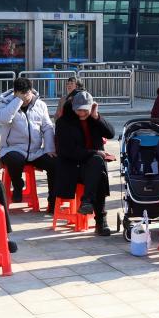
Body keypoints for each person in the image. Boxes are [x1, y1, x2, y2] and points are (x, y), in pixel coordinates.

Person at [54, 91, 114, 235]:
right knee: (98, 170)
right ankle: (100, 219)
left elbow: (110, 133)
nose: (81, 113)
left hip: (92, 166)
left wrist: (97, 117)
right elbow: (67, 151)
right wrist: (94, 152)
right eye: (78, 110)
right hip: (72, 167)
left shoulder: (93, 119)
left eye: (85, 110)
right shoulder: (64, 122)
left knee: (97, 166)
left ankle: (88, 202)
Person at [0, 78, 57, 206]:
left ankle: (53, 202)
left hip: (35, 151)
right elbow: (3, 119)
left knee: (54, 163)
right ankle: (18, 186)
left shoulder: (40, 105)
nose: (26, 98)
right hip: (13, 149)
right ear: (15, 93)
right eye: (21, 94)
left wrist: (49, 148)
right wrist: (17, 102)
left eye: (27, 94)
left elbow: (47, 127)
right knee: (15, 159)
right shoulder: (6, 104)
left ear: (31, 91)